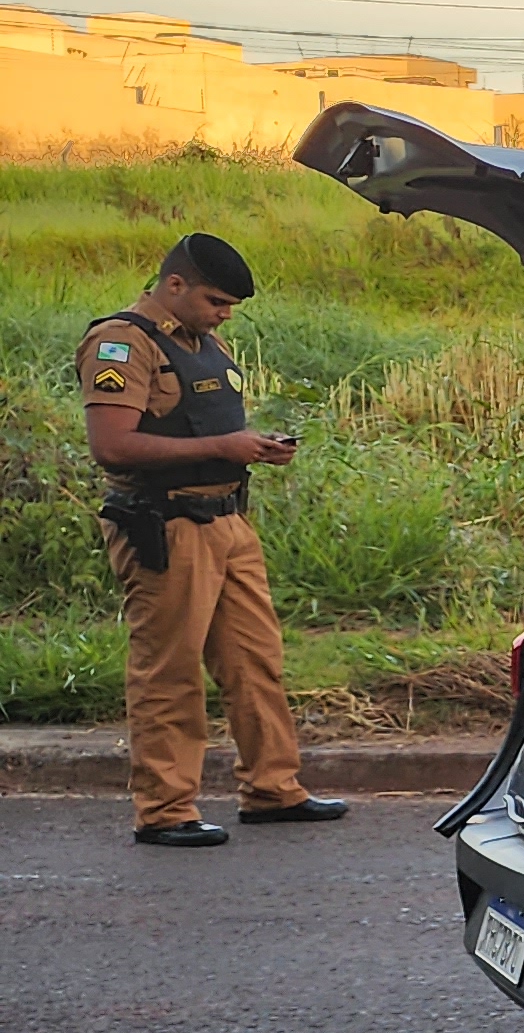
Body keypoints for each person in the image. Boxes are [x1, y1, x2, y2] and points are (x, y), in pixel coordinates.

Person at [77, 232, 342, 848]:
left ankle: (273, 790)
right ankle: (166, 810)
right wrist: (224, 447)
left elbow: (201, 422)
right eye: (217, 301)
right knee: (169, 671)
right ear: (175, 286)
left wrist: (252, 448)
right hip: (165, 526)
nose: (225, 314)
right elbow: (113, 445)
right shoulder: (120, 344)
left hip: (228, 521)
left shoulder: (204, 343)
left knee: (256, 662)